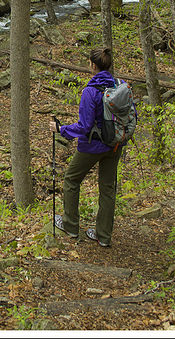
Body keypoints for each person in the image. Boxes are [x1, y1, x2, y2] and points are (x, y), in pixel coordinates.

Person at [49, 47, 122, 247]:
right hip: (115, 144)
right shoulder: (119, 85)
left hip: (92, 146)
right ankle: (104, 236)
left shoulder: (90, 91)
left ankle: (70, 225)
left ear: (92, 65)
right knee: (107, 189)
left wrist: (61, 129)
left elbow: (85, 126)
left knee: (71, 179)